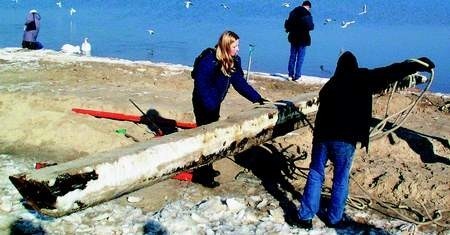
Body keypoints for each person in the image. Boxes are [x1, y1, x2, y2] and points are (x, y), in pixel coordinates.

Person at [294, 51, 435, 229]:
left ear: (338, 67)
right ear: (355, 65)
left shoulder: (330, 85)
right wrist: (416, 64)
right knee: (340, 178)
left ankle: (305, 217)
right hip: (345, 141)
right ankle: (334, 219)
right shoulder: (363, 78)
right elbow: (390, 72)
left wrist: (414, 64)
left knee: (315, 174)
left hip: (322, 137)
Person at [191, 30, 267, 188]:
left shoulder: (233, 61)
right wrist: (210, 104)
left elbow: (239, 83)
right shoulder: (209, 59)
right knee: (207, 137)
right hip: (202, 103)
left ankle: (207, 167)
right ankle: (202, 174)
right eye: (235, 46)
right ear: (226, 46)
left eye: (238, 46)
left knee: (213, 136)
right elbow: (201, 84)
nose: (238, 49)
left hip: (214, 102)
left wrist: (257, 98)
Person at [285, 1, 314, 81]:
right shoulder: (307, 14)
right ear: (308, 7)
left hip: (293, 37)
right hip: (303, 38)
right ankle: (297, 76)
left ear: (302, 5)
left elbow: (288, 24)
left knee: (292, 56)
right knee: (300, 58)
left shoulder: (293, 12)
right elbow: (311, 26)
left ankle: (290, 74)